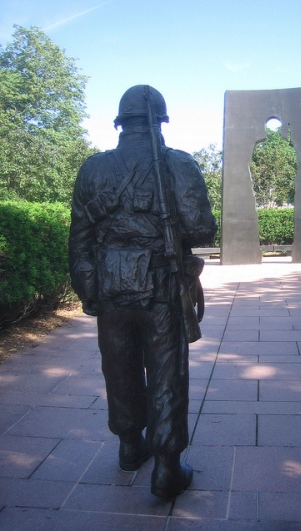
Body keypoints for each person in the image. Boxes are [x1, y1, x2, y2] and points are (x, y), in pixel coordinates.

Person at [68, 85, 217, 499]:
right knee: (167, 372)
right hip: (161, 286)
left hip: (111, 286)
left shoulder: (93, 168)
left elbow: (79, 239)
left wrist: (89, 290)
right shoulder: (178, 163)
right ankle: (167, 467)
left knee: (119, 367)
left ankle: (130, 447)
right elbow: (202, 228)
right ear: (161, 123)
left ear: (120, 123)